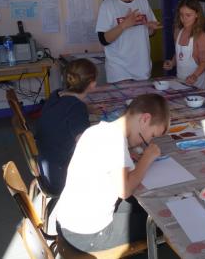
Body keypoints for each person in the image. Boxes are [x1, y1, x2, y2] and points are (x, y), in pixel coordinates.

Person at [55, 94, 170, 253]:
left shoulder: (100, 129)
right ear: (144, 119)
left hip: (67, 222)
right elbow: (125, 190)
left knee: (143, 207)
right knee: (162, 222)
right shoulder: (115, 142)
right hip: (88, 235)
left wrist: (129, 156)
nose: (148, 142)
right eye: (151, 136)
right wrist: (147, 159)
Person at [35, 58, 97, 196]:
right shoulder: (76, 108)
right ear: (92, 84)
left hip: (45, 167)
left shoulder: (56, 95)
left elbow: (65, 112)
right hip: (59, 178)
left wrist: (86, 109)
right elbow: (86, 145)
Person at [96, 0, 160, 83]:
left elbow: (150, 34)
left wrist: (151, 28)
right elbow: (103, 39)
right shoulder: (108, 5)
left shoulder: (142, 1)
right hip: (119, 70)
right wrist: (124, 25)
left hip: (142, 67)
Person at [162, 0, 205, 89]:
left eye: (188, 15)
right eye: (181, 15)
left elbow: (204, 62)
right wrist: (172, 63)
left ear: (197, 15)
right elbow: (179, 54)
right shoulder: (178, 31)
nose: (184, 19)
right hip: (180, 81)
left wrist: (194, 75)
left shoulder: (201, 37)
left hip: (196, 84)